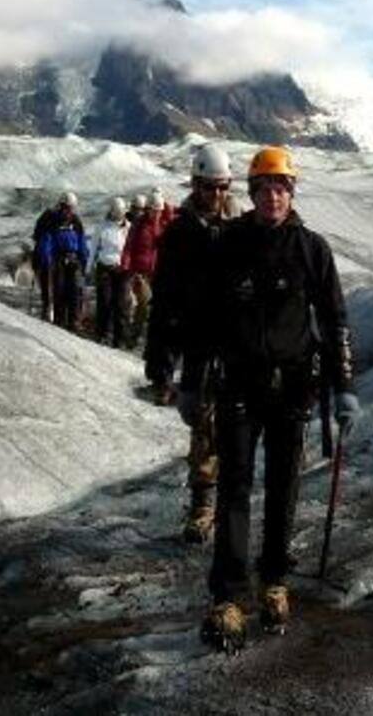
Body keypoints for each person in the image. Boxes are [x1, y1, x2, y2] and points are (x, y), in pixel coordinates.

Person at [185, 145, 358, 651]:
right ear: (252, 193)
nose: (273, 198)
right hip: (239, 384)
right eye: (264, 189)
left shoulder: (312, 250)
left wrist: (344, 388)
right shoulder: (228, 245)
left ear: (291, 193)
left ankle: (275, 581)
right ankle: (229, 596)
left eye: (281, 188)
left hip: (293, 387)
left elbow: (335, 322)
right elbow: (204, 321)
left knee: (283, 486)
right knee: (235, 487)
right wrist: (192, 382)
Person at [146, 144, 236, 544]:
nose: (216, 195)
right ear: (195, 185)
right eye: (209, 187)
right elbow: (164, 300)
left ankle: (230, 501)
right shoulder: (179, 234)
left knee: (237, 426)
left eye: (222, 187)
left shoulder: (242, 228)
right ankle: (203, 504)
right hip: (199, 343)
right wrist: (161, 363)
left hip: (238, 344)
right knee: (202, 423)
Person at [120, 187, 172, 354]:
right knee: (144, 305)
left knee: (156, 309)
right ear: (148, 209)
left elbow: (174, 216)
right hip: (140, 273)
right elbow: (129, 246)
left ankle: (148, 342)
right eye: (153, 211)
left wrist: (165, 205)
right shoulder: (139, 225)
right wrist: (126, 266)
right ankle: (133, 339)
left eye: (159, 211)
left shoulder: (163, 224)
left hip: (158, 273)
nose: (156, 214)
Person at [30, 191, 82, 323]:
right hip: (54, 260)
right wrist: (43, 260)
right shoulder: (49, 218)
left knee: (74, 293)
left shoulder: (75, 220)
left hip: (72, 259)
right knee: (56, 292)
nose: (70, 211)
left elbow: (81, 239)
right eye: (68, 208)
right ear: (61, 206)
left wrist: (83, 258)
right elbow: (43, 241)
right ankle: (56, 319)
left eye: (72, 208)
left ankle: (73, 322)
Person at [88, 197, 131, 345]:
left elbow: (131, 249)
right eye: (116, 212)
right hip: (104, 268)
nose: (119, 215)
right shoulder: (102, 226)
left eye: (121, 212)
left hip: (122, 270)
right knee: (104, 302)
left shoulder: (129, 227)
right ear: (112, 211)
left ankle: (119, 339)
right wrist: (89, 268)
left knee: (120, 304)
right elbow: (93, 248)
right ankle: (102, 334)